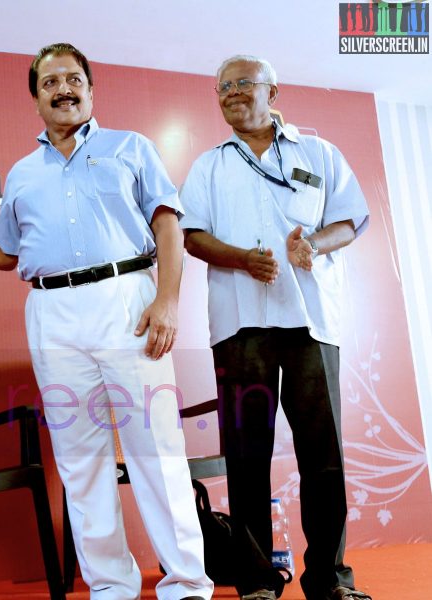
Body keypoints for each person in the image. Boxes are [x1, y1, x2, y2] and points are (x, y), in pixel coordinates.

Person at [0, 42, 212, 600]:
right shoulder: (21, 173)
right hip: (51, 311)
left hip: (127, 301)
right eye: (49, 82)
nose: (63, 89)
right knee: (80, 457)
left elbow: (167, 226)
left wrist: (167, 301)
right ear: (36, 98)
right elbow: (4, 252)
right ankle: (110, 586)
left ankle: (185, 583)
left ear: (91, 88)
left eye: (72, 79)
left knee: (154, 448)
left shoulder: (130, 147)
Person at [179, 55, 371, 600]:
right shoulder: (208, 166)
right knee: (245, 455)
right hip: (241, 326)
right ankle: (258, 582)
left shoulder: (319, 152)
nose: (233, 93)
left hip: (312, 322)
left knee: (323, 453)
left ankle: (330, 579)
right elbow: (192, 235)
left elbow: (349, 219)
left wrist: (313, 246)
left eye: (244, 83)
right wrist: (242, 258)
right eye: (224, 87)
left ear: (273, 90)